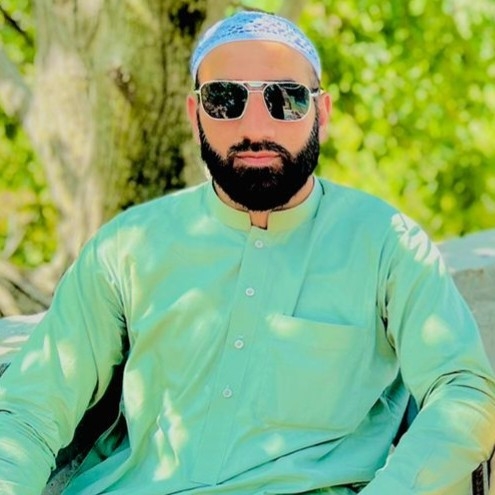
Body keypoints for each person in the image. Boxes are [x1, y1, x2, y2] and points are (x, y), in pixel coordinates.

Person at [0, 10, 494, 495]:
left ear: (322, 113)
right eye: (225, 99)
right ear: (195, 115)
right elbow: (29, 410)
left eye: (286, 99)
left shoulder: (387, 244)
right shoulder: (125, 248)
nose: (255, 126)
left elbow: (464, 389)